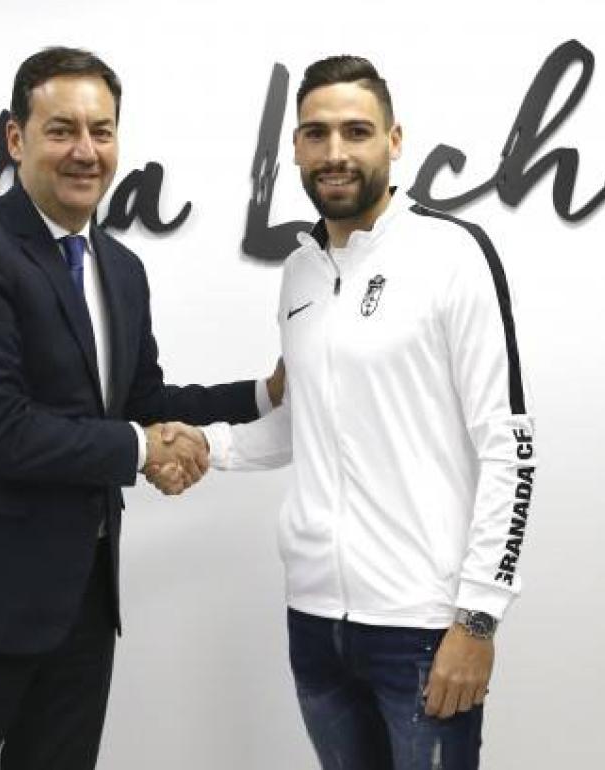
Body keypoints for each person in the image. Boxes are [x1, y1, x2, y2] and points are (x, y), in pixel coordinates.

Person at [0, 46, 281, 770]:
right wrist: (144, 450)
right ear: (16, 138)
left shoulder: (121, 268)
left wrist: (264, 394)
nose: (85, 151)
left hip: (81, 609)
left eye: (102, 130)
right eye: (61, 130)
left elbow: (141, 402)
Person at [165, 55, 538, 769]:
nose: (335, 152)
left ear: (394, 141)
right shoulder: (300, 271)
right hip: (314, 623)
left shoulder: (453, 255)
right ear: (296, 148)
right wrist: (208, 446)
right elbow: (305, 420)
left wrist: (478, 618)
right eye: (317, 133)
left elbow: (510, 448)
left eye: (356, 131)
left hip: (422, 627)